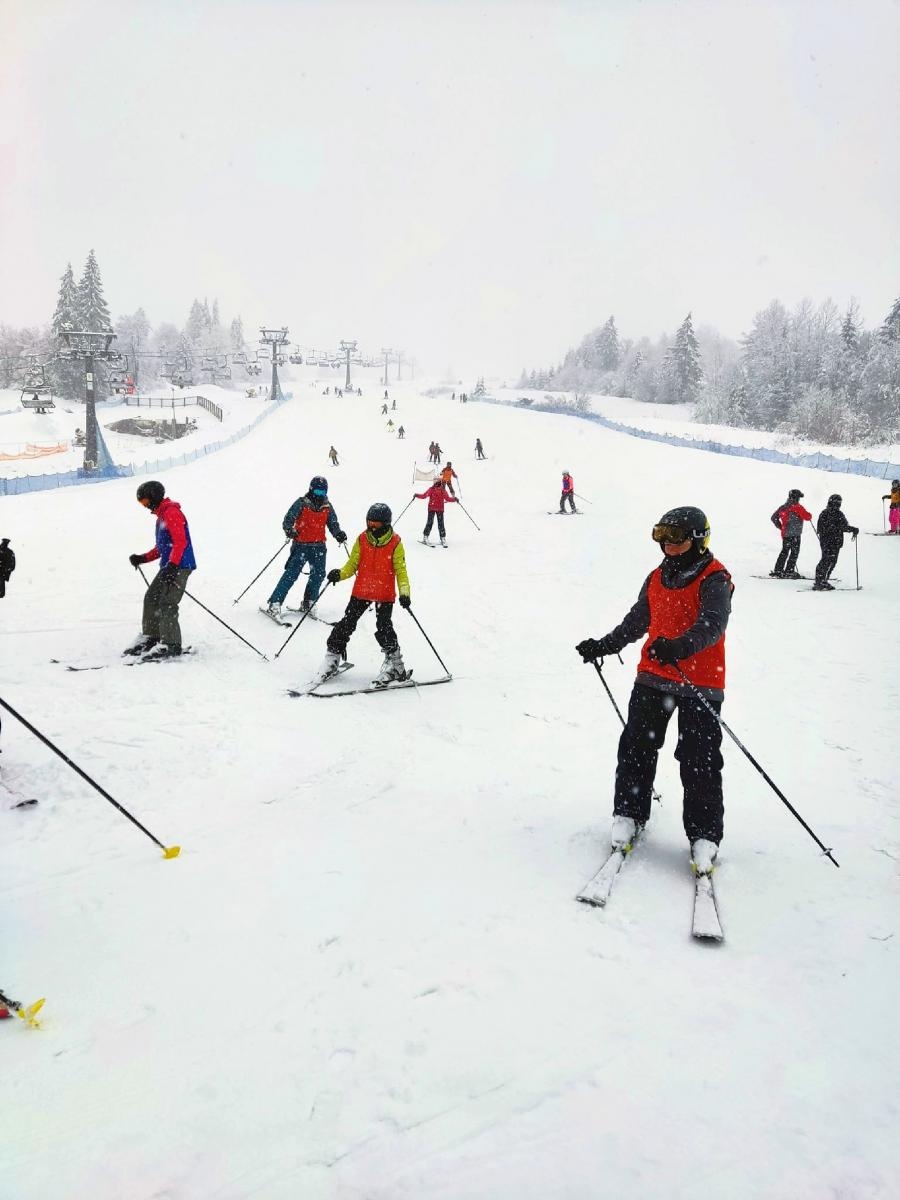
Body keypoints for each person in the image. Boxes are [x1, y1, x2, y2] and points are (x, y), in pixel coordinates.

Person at [575, 506, 732, 874]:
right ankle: (629, 813)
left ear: (698, 539)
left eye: (676, 539)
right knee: (636, 747)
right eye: (662, 537)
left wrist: (679, 646)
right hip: (653, 676)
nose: (668, 546)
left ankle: (704, 835)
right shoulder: (657, 577)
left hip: (700, 682)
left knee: (699, 759)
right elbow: (637, 621)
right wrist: (604, 645)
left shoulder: (715, 578)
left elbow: (713, 624)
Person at [315, 503, 411, 686]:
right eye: (369, 522)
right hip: (362, 590)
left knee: (384, 627)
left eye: (376, 524)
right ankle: (332, 658)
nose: (371, 527)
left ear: (386, 523)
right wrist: (339, 574)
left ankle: (396, 666)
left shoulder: (395, 543)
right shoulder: (362, 539)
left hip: (384, 592)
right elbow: (352, 565)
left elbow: (401, 572)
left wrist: (405, 594)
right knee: (346, 624)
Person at [127, 481, 196, 660]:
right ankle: (152, 637)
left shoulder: (172, 512)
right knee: (152, 598)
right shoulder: (162, 516)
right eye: (141, 503)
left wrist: (173, 565)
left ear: (154, 496)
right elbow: (162, 548)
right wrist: (142, 558)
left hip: (180, 566)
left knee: (167, 603)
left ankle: (170, 644)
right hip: (169, 566)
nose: (145, 506)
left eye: (145, 501)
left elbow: (180, 542)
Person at [265, 477, 346, 618]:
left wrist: (338, 533)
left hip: (319, 547)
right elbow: (288, 519)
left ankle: (309, 602)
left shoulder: (327, 506)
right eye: (317, 491)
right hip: (301, 545)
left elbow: (333, 523)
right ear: (311, 489)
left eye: (323, 492)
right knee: (291, 574)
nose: (319, 495)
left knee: (318, 575)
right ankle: (275, 603)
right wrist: (289, 530)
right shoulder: (301, 503)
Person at [813, 495, 858, 590]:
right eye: (836, 503)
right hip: (830, 541)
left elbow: (843, 526)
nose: (837, 505)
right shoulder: (828, 514)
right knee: (827, 560)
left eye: (838, 503)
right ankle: (820, 581)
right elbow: (841, 526)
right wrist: (851, 529)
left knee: (830, 561)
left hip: (833, 541)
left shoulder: (833, 513)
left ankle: (822, 580)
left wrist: (851, 529)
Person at [770, 488, 812, 578]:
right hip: (795, 534)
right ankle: (789, 571)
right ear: (797, 498)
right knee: (794, 553)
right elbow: (807, 517)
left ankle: (778, 570)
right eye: (799, 497)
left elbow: (773, 518)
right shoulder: (797, 507)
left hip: (785, 534)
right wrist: (809, 515)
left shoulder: (783, 507)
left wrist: (781, 527)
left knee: (784, 552)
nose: (799, 499)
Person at [414, 477, 457, 546]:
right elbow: (424, 496)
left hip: (440, 509)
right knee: (430, 523)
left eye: (435, 481)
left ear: (438, 482)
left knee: (441, 524)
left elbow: (447, 498)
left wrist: (454, 499)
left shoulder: (442, 490)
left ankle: (442, 538)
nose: (434, 482)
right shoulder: (432, 489)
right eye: (434, 481)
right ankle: (425, 537)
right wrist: (417, 495)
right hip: (432, 508)